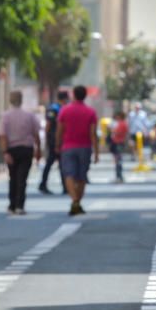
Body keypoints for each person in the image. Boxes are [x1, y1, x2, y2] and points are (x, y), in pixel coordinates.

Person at [57, 85, 99, 215]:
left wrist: (57, 145)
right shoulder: (90, 112)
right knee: (82, 176)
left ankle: (75, 201)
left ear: (73, 95)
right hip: (85, 147)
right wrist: (96, 152)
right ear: (85, 96)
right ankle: (77, 202)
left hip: (68, 147)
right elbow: (93, 133)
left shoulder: (65, 110)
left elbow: (60, 130)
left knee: (68, 175)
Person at [0, 90, 42, 214]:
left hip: (12, 150)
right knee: (22, 178)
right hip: (26, 149)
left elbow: (2, 135)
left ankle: (12, 205)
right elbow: (36, 134)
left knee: (13, 177)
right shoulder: (29, 115)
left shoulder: (5, 116)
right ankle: (19, 205)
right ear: (21, 100)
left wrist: (5, 152)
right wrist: (38, 149)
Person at [39, 89, 69, 194]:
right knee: (53, 163)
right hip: (54, 140)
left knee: (59, 163)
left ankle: (64, 186)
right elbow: (48, 125)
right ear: (65, 99)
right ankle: (44, 184)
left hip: (59, 140)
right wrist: (48, 140)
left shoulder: (60, 108)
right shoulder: (55, 109)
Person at [109, 111, 129, 182]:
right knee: (117, 160)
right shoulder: (122, 123)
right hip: (118, 143)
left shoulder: (122, 124)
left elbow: (118, 132)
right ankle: (118, 176)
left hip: (118, 143)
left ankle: (119, 176)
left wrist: (113, 131)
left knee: (118, 160)